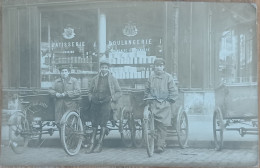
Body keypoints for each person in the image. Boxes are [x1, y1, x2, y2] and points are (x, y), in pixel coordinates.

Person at [86, 59, 121, 154]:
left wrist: (111, 99)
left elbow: (119, 92)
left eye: (106, 68)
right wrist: (91, 98)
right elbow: (89, 91)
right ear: (100, 68)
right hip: (95, 102)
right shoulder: (95, 79)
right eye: (102, 67)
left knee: (103, 123)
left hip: (106, 103)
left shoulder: (113, 79)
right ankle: (91, 144)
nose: (104, 69)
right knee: (94, 123)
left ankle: (99, 144)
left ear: (109, 69)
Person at [144, 58, 178, 153]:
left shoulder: (168, 77)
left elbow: (173, 91)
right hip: (153, 103)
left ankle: (160, 145)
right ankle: (154, 143)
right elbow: (146, 89)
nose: (158, 68)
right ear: (154, 67)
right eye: (156, 66)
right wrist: (147, 97)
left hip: (164, 104)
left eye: (160, 66)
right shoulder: (151, 77)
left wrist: (169, 100)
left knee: (162, 125)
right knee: (152, 124)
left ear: (163, 67)